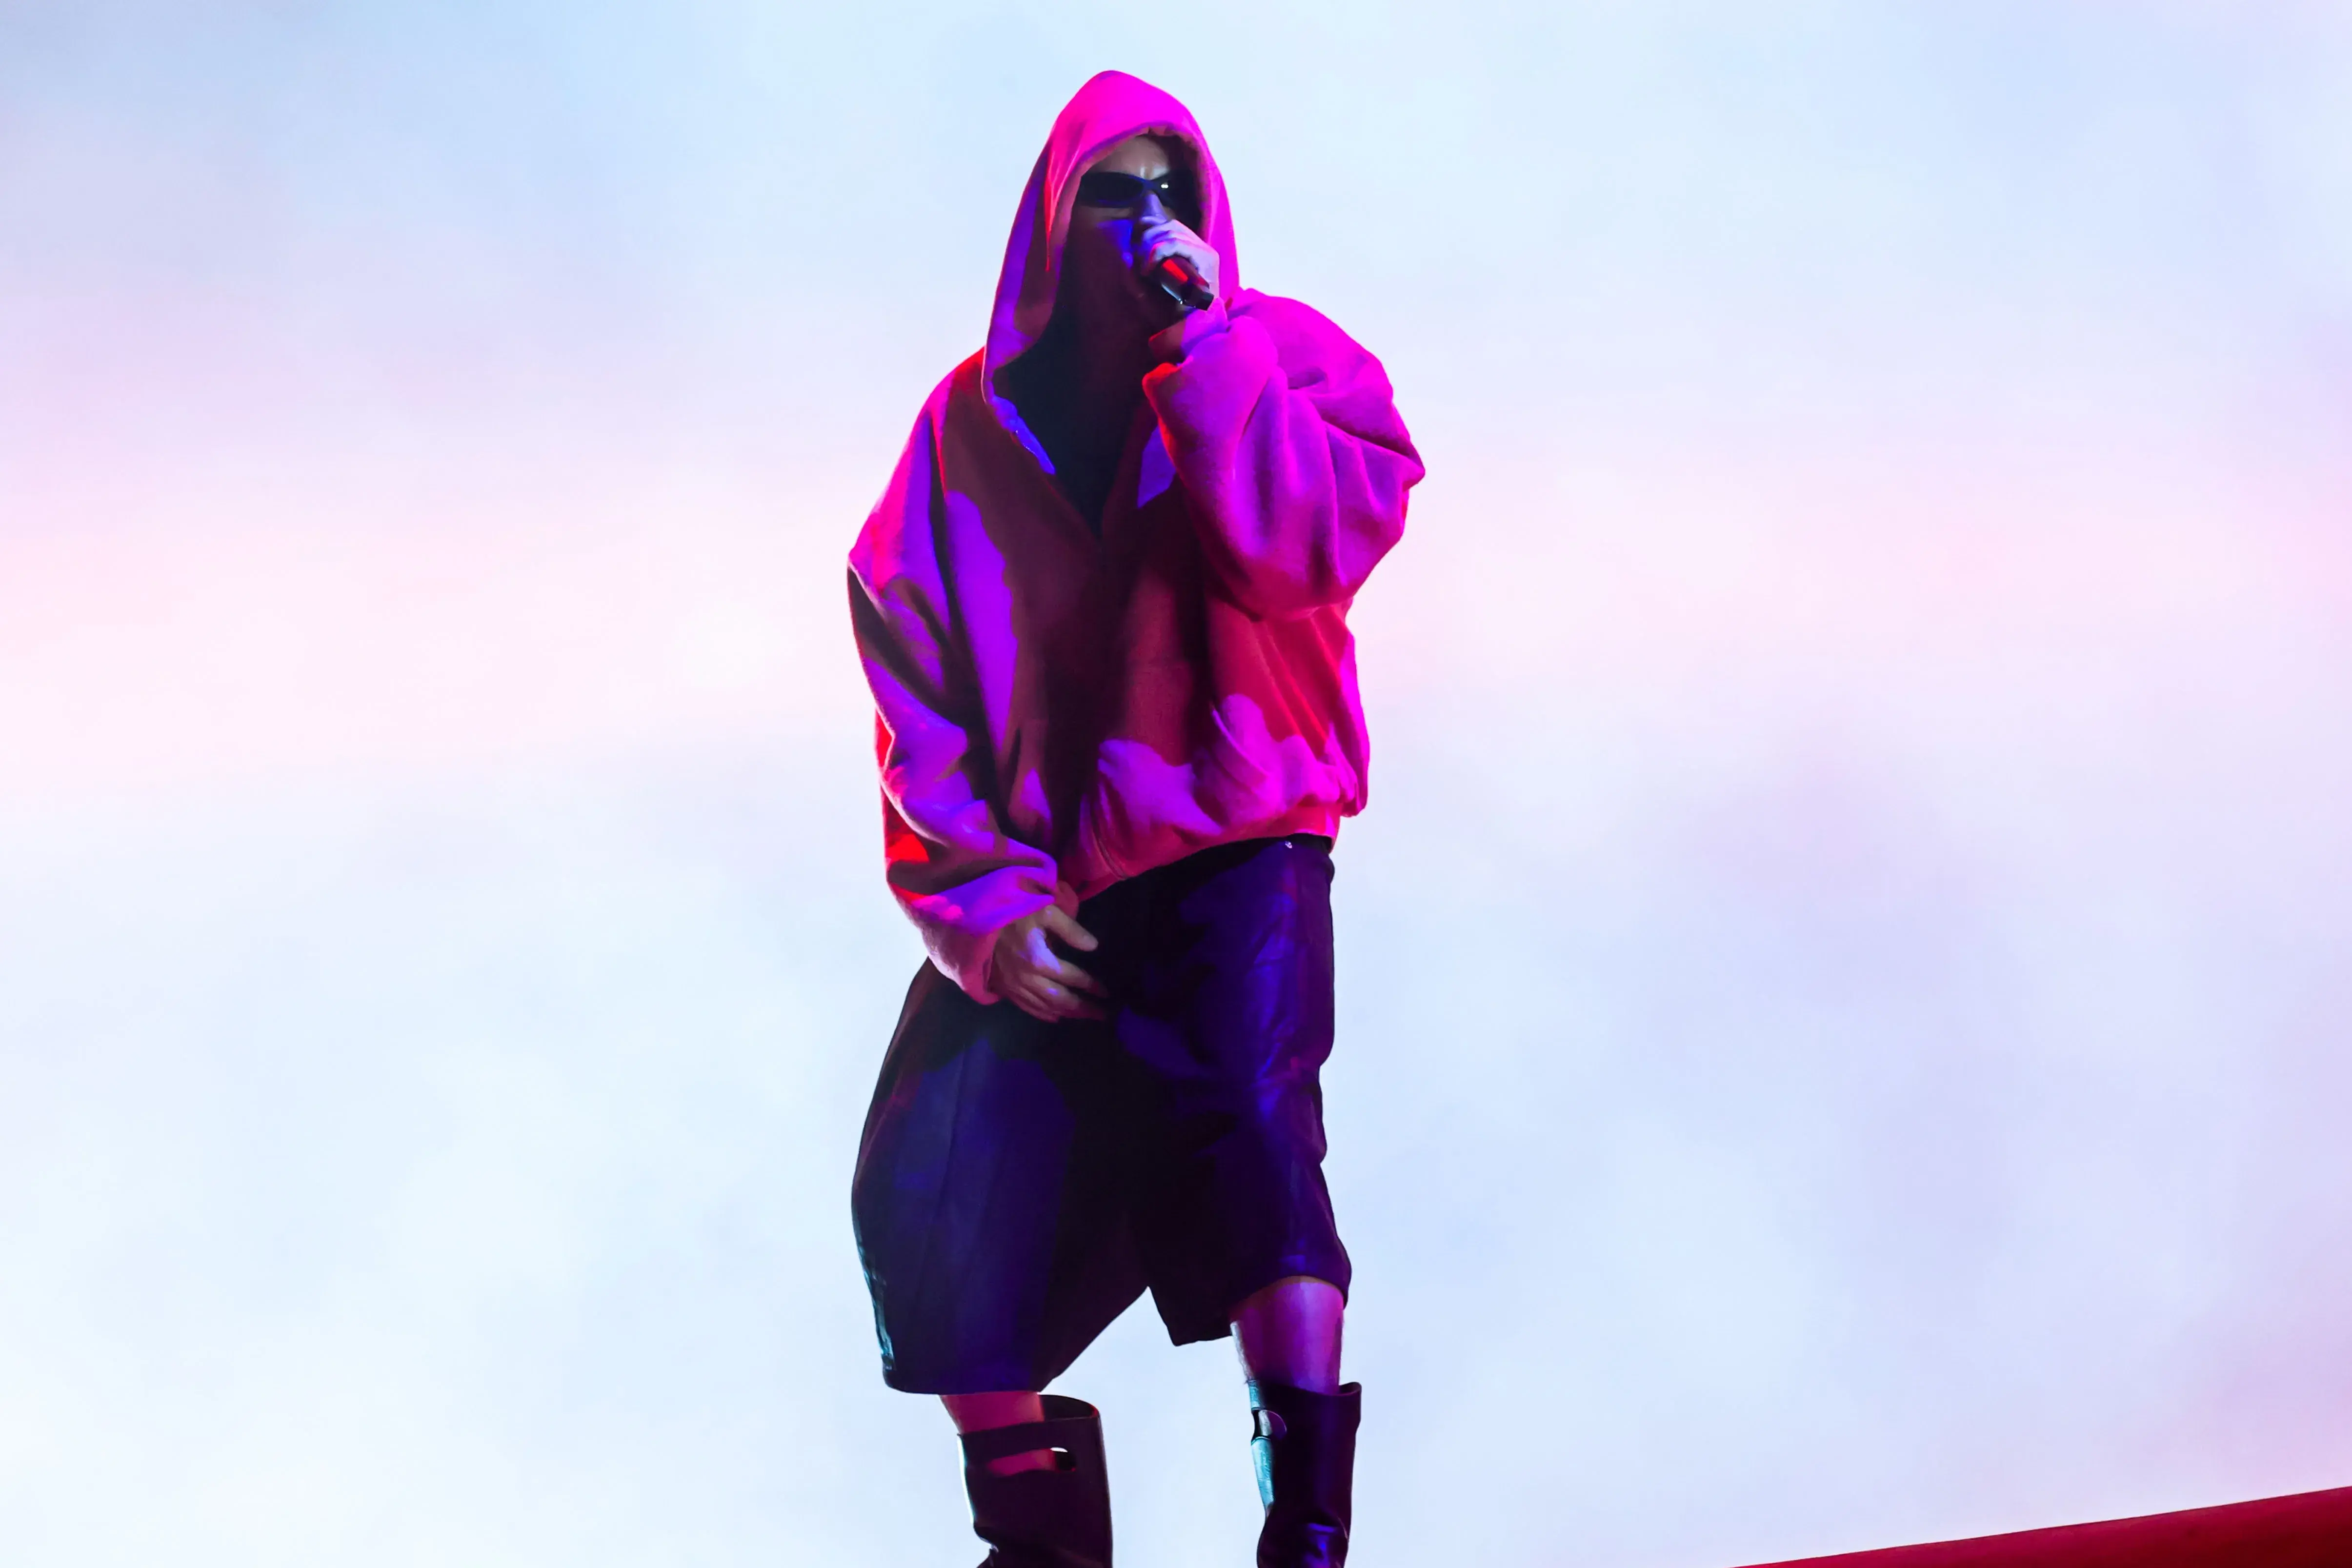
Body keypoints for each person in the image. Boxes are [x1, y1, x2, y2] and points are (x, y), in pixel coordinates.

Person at [846, 70, 1422, 1568]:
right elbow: (911, 664)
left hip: (1239, 824)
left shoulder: (1287, 357)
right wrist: (977, 902)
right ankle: (1039, 1538)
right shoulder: (967, 425)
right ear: (1053, 219)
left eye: (1173, 190)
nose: (1149, 220)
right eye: (1114, 192)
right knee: (934, 1175)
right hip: (1051, 880)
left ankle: (1303, 1526)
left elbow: (1290, 552)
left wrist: (1209, 355)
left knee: (1248, 1130)